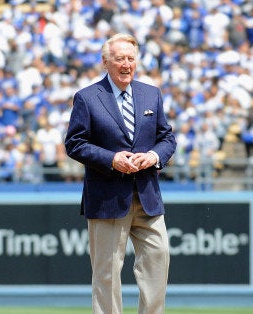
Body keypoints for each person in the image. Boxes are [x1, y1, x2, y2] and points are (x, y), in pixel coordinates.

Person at [64, 33, 176, 314]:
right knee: (107, 273)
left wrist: (153, 156)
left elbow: (167, 139)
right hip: (107, 199)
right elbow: (74, 144)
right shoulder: (87, 98)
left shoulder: (151, 93)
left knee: (158, 259)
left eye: (130, 58)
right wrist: (112, 159)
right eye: (119, 59)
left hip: (148, 197)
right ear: (105, 62)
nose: (126, 64)